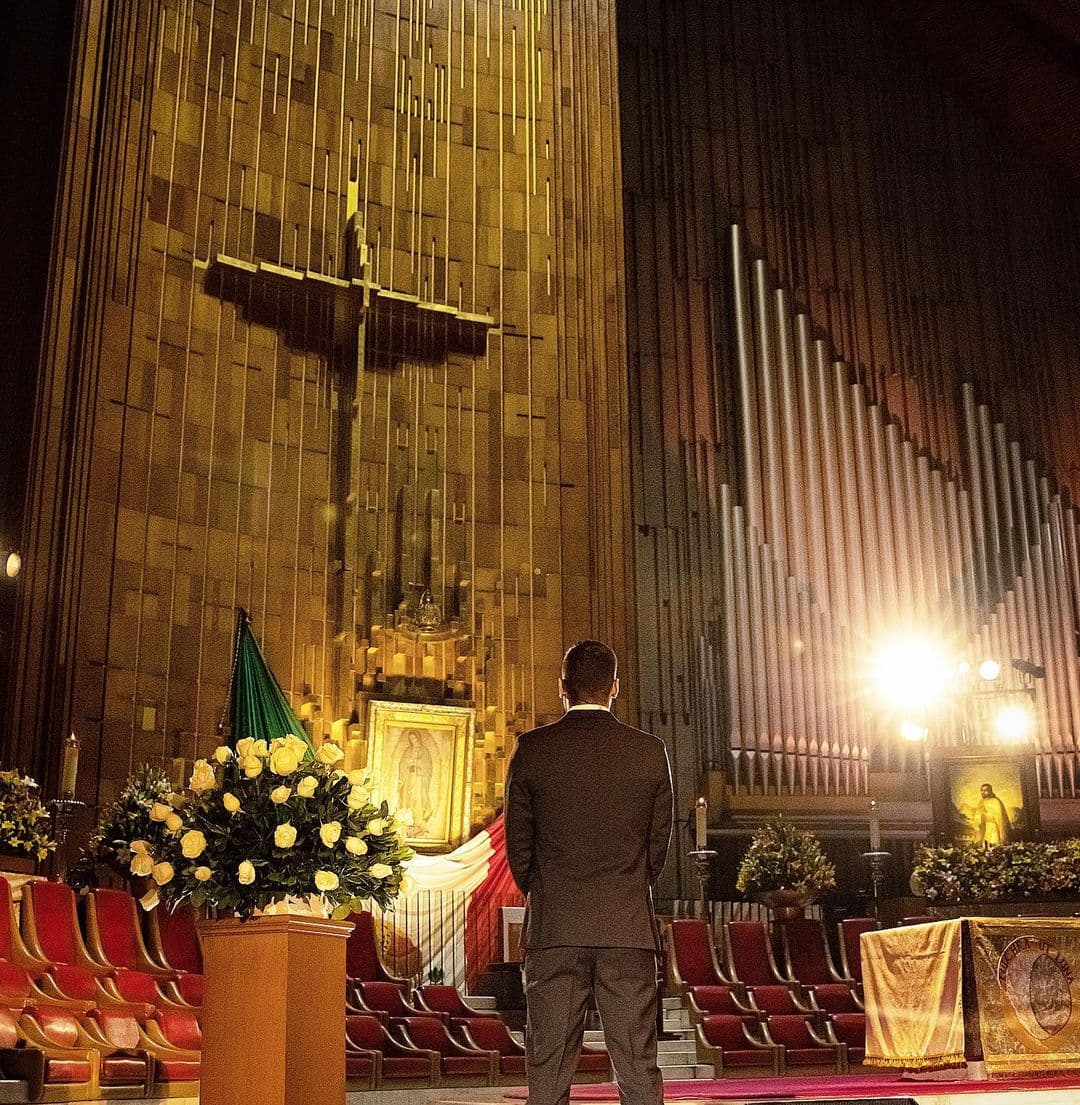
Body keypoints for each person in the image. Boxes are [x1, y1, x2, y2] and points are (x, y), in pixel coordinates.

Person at [505, 640, 674, 1105]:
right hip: (626, 927)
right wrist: (626, 890)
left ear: (562, 688)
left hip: (556, 926)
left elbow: (519, 846)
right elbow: (657, 849)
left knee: (549, 1063)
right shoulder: (649, 752)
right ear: (615, 688)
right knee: (637, 1064)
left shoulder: (533, 750)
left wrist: (547, 893)